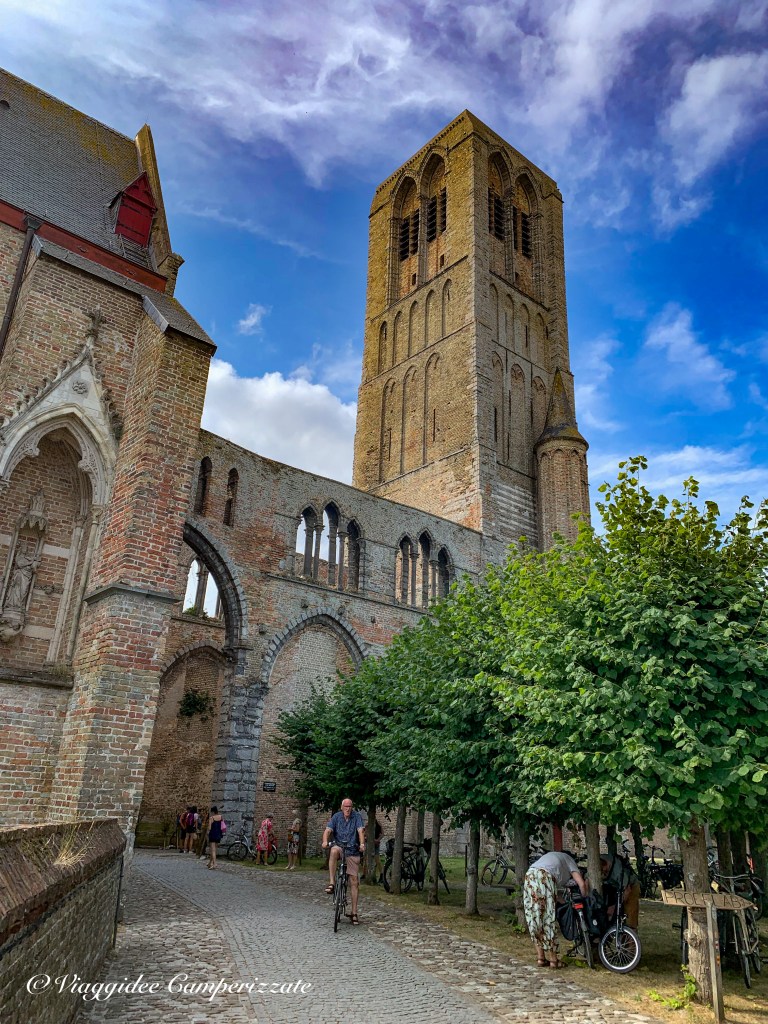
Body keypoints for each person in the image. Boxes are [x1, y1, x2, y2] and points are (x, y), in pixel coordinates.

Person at [524, 850, 587, 968]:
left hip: (529, 876)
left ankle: (541, 958)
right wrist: (584, 899)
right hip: (544, 877)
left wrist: (565, 903)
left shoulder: (552, 858)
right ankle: (554, 960)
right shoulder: (570, 860)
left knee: (534, 918)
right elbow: (581, 884)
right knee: (547, 919)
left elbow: (553, 896)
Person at [322, 798, 365, 925]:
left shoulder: (356, 817)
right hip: (339, 846)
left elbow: (360, 831)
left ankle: (354, 913)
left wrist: (362, 844)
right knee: (333, 851)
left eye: (350, 806)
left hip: (352, 849)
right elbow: (328, 830)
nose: (348, 809)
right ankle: (332, 882)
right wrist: (325, 841)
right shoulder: (336, 817)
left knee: (354, 881)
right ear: (342, 807)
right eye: (346, 806)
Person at [600, 854, 641, 929]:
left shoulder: (619, 871)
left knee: (630, 916)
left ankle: (631, 934)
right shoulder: (598, 861)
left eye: (604, 871)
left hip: (631, 886)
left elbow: (627, 891)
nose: (603, 873)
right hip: (615, 887)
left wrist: (615, 907)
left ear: (607, 864)